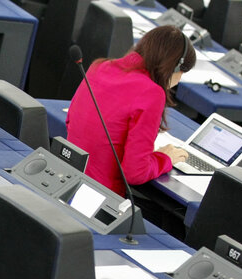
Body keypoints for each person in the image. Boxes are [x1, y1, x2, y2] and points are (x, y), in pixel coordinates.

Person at [66, 25, 196, 197]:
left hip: (66, 178)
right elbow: (135, 173)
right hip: (99, 198)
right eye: (182, 72)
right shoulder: (152, 93)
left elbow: (70, 122)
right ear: (174, 67)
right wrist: (165, 158)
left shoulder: (100, 66)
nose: (179, 80)